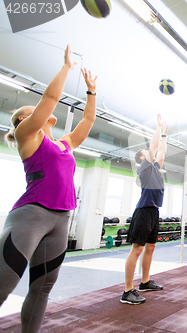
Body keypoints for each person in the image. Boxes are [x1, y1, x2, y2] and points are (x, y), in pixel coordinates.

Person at [0, 45, 97, 332]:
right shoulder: (26, 135)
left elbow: (88, 120)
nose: (42, 112)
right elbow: (51, 97)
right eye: (33, 112)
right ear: (22, 121)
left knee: (42, 289)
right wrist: (67, 67)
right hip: (31, 215)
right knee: (3, 286)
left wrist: (91, 92)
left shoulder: (65, 144)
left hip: (61, 218)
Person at [121, 115, 168, 305]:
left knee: (151, 247)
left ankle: (145, 282)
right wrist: (158, 129)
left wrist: (165, 135)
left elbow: (161, 152)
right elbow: (154, 148)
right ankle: (127, 291)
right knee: (137, 249)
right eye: (146, 153)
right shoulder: (144, 167)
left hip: (154, 212)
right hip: (143, 211)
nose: (152, 155)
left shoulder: (156, 168)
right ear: (142, 158)